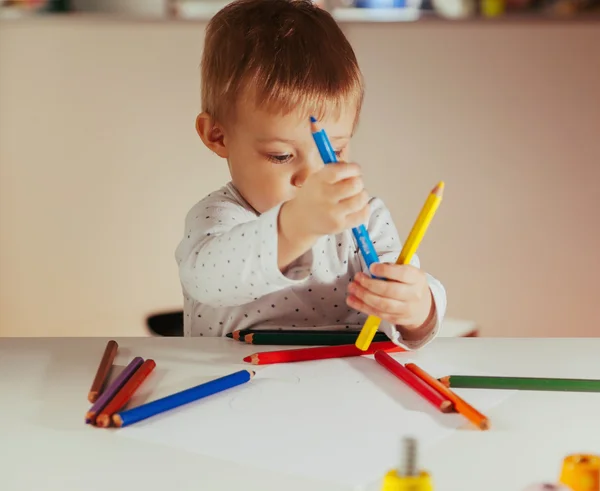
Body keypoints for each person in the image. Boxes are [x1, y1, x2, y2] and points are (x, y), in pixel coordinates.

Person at [175, 0, 446, 349]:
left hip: (345, 387)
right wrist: (295, 227)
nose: (310, 177)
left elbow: (407, 305)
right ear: (218, 135)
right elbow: (208, 280)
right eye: (282, 155)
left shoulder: (366, 218)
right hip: (238, 390)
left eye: (333, 152)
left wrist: (416, 307)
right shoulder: (219, 216)